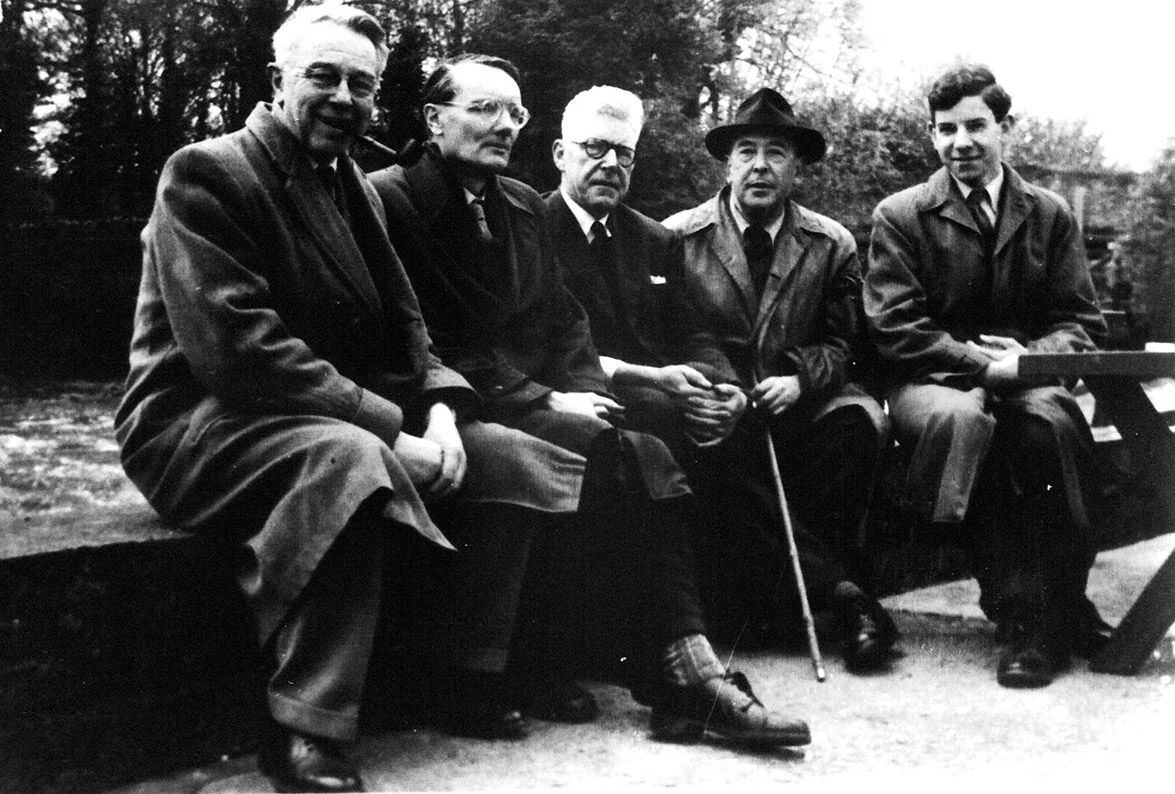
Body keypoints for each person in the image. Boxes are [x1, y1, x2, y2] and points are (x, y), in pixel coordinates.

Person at [114, 7, 592, 791]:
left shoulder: (350, 185)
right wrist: (389, 428)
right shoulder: (206, 172)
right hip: (198, 422)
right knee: (353, 458)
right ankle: (306, 722)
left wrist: (441, 408)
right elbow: (241, 353)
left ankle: (462, 675)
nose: (344, 97)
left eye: (362, 85)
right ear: (276, 84)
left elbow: (408, 324)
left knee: (506, 454)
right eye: (323, 77)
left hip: (305, 412)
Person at [369, 53, 810, 748]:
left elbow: (563, 317)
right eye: (483, 109)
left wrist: (585, 391)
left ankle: (681, 672)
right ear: (433, 118)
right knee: (625, 453)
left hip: (529, 395)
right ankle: (674, 675)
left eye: (512, 111)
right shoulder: (389, 199)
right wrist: (546, 396)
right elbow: (423, 332)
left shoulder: (513, 202)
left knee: (634, 447)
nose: (503, 124)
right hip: (448, 398)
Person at [863, 64, 1109, 689]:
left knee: (1050, 429)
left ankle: (1061, 603)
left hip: (1027, 379)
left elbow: (1080, 322)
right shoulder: (902, 214)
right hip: (930, 382)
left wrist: (1027, 362)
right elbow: (893, 328)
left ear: (1006, 128)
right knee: (975, 429)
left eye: (976, 126)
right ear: (932, 136)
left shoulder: (1048, 214)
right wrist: (982, 365)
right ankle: (1027, 623)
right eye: (946, 130)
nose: (961, 142)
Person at [662, 88, 896, 670]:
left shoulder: (831, 243)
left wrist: (798, 379)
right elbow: (672, 334)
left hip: (801, 405)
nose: (760, 166)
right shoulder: (677, 238)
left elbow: (845, 343)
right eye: (746, 151)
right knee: (719, 440)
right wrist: (724, 389)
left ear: (797, 168)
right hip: (722, 404)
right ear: (728, 162)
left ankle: (785, 600)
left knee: (857, 423)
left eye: (776, 153)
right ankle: (846, 598)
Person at [546, 86, 743, 465]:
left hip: (661, 394)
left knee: (730, 416)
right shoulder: (531, 231)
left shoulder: (655, 238)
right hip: (583, 394)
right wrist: (650, 379)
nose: (609, 164)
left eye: (624, 154)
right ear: (560, 154)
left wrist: (728, 386)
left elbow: (690, 330)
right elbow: (542, 347)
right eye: (594, 147)